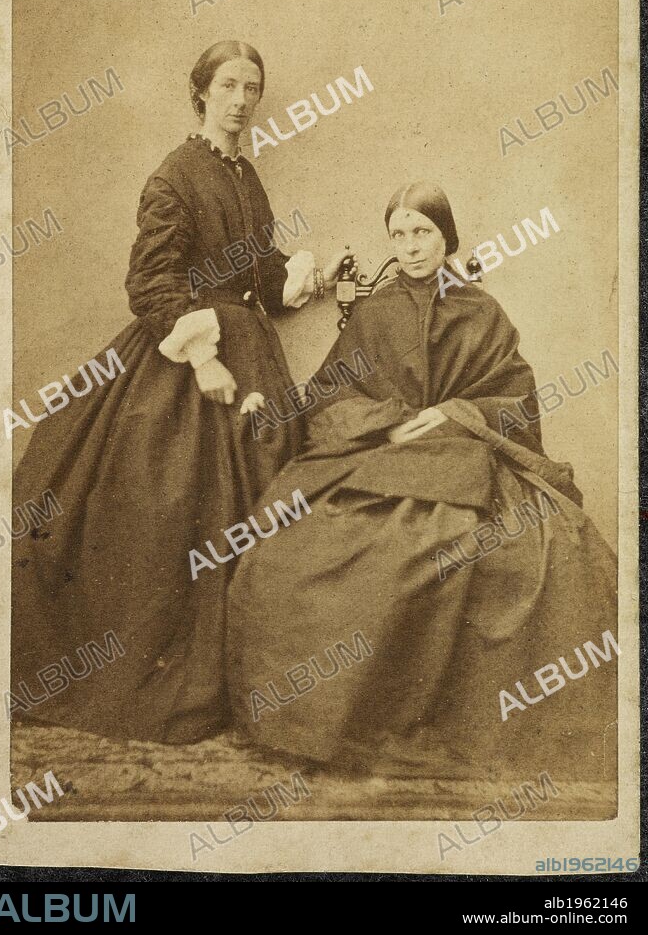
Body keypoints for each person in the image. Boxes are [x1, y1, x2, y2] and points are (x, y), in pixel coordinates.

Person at [10, 40, 352, 745]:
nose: (241, 100)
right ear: (200, 92)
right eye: (228, 85)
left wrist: (311, 278)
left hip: (250, 348)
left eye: (252, 87)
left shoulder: (246, 177)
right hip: (188, 360)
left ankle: (252, 679)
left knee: (263, 504)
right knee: (169, 506)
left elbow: (259, 273)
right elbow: (150, 286)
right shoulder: (172, 177)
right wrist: (203, 359)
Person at [226, 182, 618, 784]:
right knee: (289, 551)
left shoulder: (482, 312)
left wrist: (461, 414)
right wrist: (389, 421)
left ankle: (427, 723)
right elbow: (330, 395)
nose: (410, 247)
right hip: (380, 454)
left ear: (446, 238)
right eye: (399, 235)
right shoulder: (376, 312)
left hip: (467, 458)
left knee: (522, 553)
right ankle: (326, 723)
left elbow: (520, 403)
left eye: (423, 233)